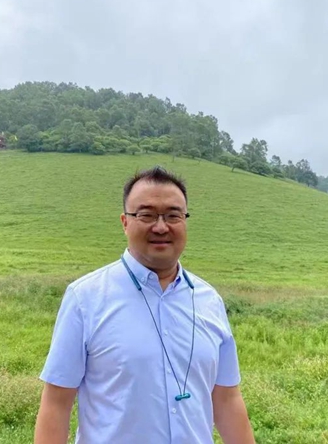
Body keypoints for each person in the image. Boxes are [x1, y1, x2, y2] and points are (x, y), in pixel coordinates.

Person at [34, 166, 255, 444]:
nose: (161, 227)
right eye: (147, 215)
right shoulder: (85, 298)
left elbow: (226, 399)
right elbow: (56, 403)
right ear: (125, 222)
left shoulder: (209, 300)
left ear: (185, 221)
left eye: (173, 215)